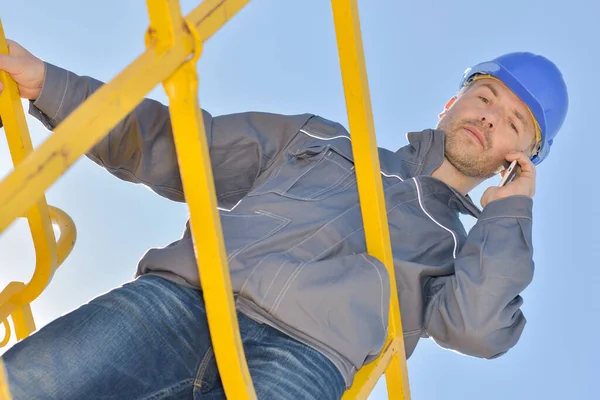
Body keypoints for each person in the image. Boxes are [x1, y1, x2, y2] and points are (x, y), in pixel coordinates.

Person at [0, 39, 568, 400]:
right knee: (24, 386)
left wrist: (510, 211)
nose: (491, 119)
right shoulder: (319, 138)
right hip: (182, 301)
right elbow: (177, 144)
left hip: (302, 361)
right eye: (486, 97)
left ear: (516, 159)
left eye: (515, 123)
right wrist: (50, 84)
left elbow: (476, 328)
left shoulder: (464, 255)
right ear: (452, 103)